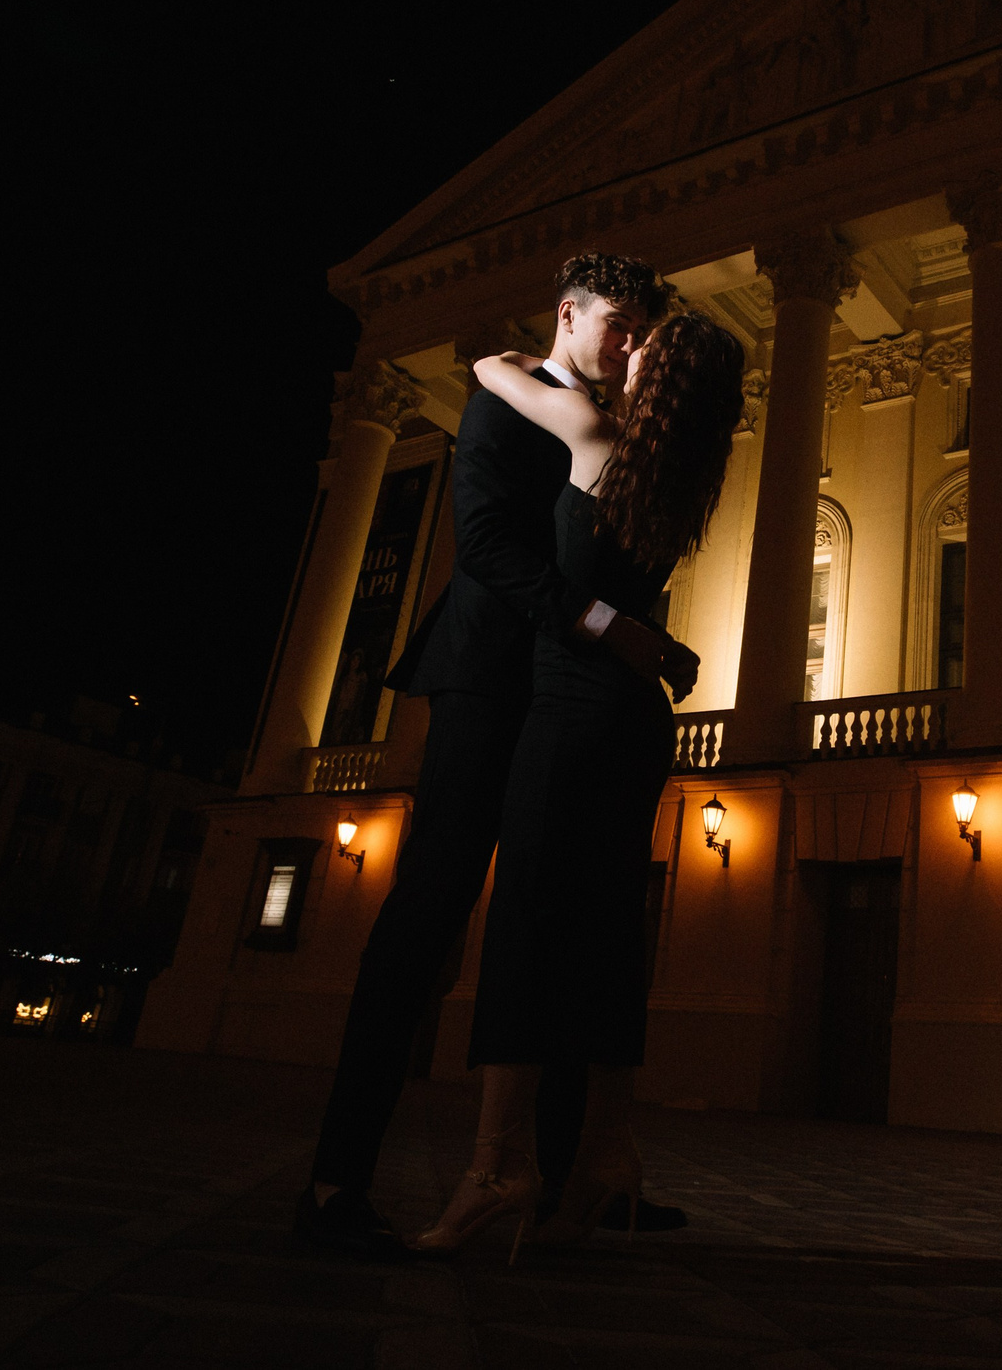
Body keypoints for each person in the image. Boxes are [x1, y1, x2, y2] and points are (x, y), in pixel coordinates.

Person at [294, 253, 696, 1259]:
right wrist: (614, 626)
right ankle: (335, 1179)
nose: (629, 345)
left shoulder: (588, 409)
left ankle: (570, 1178)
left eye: (643, 333)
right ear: (570, 313)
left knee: (558, 917)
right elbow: (484, 546)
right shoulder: (509, 397)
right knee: (427, 915)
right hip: (487, 679)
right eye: (619, 326)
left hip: (569, 688)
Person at [408, 309, 747, 1258]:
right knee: (603, 937)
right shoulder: (682, 474)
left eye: (646, 342)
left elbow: (491, 362)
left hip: (572, 712)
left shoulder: (593, 435)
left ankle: (497, 1166)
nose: (627, 345)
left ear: (661, 370)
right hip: (633, 724)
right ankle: (608, 1153)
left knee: (521, 925)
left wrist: (573, 364)